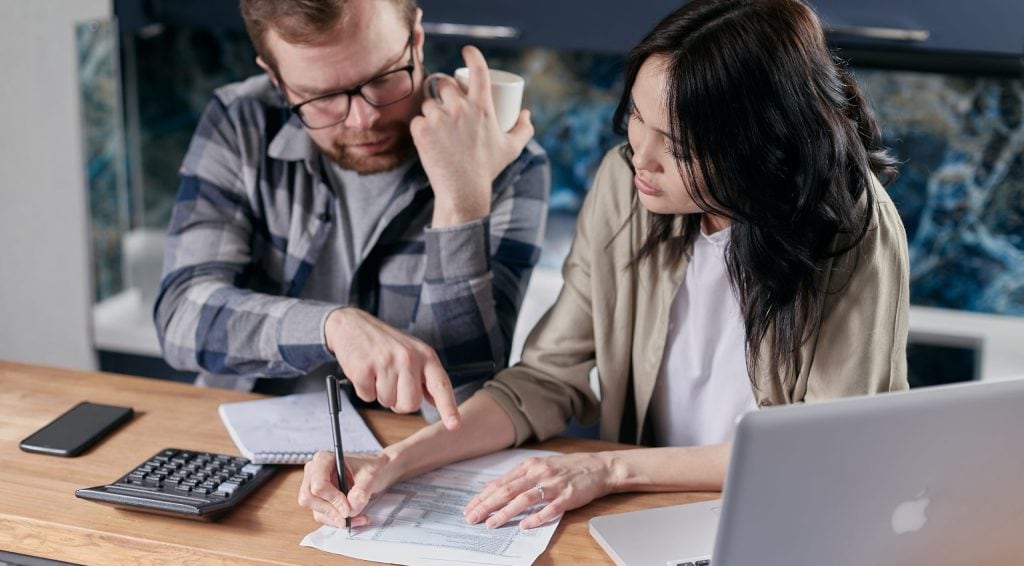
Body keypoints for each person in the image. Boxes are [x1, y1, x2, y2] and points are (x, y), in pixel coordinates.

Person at [298, 0, 910, 531]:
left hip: (781, 518)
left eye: (677, 144)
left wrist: (609, 467)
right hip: (646, 515)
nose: (639, 155)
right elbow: (544, 380)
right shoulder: (626, 186)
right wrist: (394, 461)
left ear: (759, 145)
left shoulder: (853, 228)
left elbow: (823, 451)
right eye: (638, 117)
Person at [154, 0, 550, 427]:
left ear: (416, 40)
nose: (364, 119)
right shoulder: (241, 121)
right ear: (277, 80)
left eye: (382, 79)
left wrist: (461, 203)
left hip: (408, 456)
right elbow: (181, 317)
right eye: (321, 97)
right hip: (240, 437)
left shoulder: (508, 162)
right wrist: (332, 328)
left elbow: (463, 402)